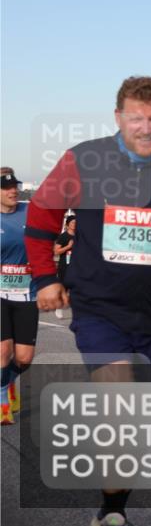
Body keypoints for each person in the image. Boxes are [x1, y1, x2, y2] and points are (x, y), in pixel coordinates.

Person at [26, 76, 151, 526]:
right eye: (136, 118)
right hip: (99, 308)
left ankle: (112, 506)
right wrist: (44, 279)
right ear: (118, 118)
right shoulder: (85, 160)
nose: (146, 127)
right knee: (120, 403)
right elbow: (41, 214)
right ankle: (113, 513)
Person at [1, 167, 38, 426]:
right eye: (6, 187)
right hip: (0, 295)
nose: (13, 190)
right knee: (3, 351)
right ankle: (2, 395)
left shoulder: (31, 211)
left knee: (24, 358)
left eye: (15, 186)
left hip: (28, 294)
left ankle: (8, 381)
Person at [53, 214, 76, 318]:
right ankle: (58, 308)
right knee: (64, 289)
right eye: (72, 222)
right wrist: (68, 246)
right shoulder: (63, 236)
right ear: (67, 224)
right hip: (64, 267)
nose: (75, 224)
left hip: (77, 267)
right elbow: (56, 251)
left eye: (76, 222)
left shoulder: (79, 236)